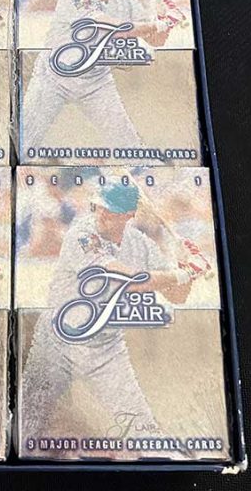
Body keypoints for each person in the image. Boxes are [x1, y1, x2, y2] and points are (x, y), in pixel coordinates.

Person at [19, 181, 192, 455]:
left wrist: (187, 267)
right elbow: (130, 280)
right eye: (99, 206)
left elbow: (178, 296)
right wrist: (178, 274)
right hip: (56, 344)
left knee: (142, 430)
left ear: (128, 215)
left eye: (110, 210)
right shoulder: (82, 235)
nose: (101, 213)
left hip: (105, 349)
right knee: (27, 431)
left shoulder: (140, 244)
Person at [21, 0, 169, 158]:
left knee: (129, 146)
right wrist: (154, 25)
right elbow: (112, 28)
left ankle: (143, 172)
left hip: (95, 81)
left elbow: (156, 41)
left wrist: (164, 19)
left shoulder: (126, 2)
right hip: (53, 77)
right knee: (24, 141)